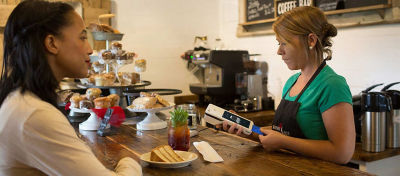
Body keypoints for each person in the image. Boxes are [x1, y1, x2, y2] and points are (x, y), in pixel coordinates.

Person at [0, 1, 141, 175]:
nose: (90, 50)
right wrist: (129, 161)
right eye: (82, 37)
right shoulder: (33, 114)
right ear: (52, 43)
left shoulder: (21, 100)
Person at [222, 6, 355, 164]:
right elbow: (282, 133)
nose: (279, 51)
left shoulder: (332, 85)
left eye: (284, 43)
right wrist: (248, 130)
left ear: (311, 40)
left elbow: (342, 153)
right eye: (279, 43)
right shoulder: (292, 82)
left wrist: (284, 142)